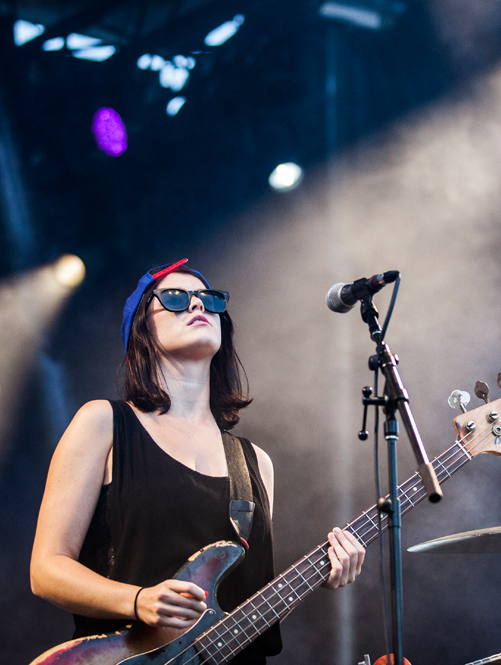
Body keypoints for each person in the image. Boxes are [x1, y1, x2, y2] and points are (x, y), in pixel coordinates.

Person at [30, 257, 366, 663]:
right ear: (141, 329)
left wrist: (321, 577)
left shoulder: (255, 462)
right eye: (174, 297)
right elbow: (47, 569)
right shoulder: (102, 422)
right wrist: (138, 601)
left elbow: (243, 607)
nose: (197, 305)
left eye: (208, 299)